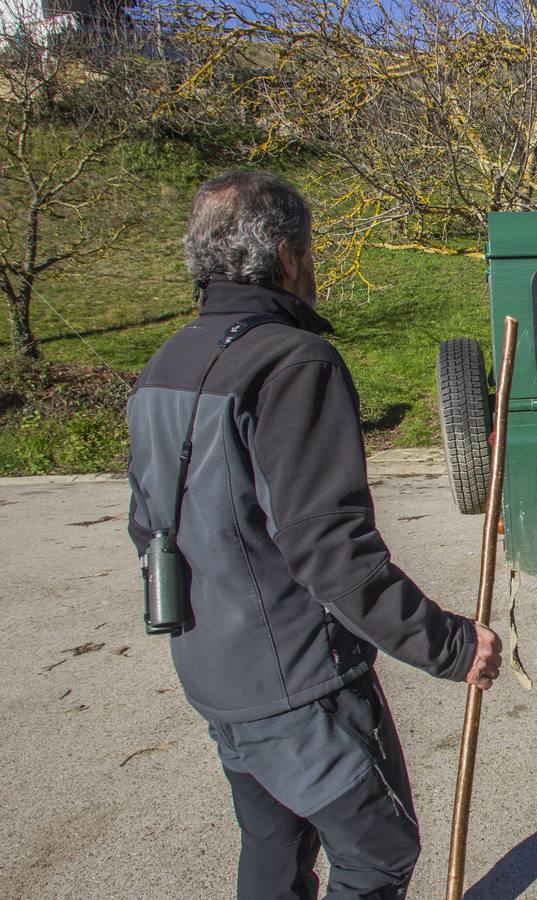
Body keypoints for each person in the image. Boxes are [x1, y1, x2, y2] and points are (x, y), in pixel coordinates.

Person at [126, 171, 502, 899]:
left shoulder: (163, 363)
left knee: (273, 846)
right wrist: (454, 646)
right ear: (287, 257)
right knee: (379, 854)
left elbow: (147, 528)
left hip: (215, 673)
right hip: (299, 687)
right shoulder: (294, 363)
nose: (315, 267)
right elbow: (332, 554)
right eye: (311, 251)